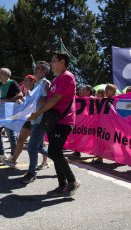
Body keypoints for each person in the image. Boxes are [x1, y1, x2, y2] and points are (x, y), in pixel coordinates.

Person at [28, 51, 80, 197]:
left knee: (54, 152)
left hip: (63, 120)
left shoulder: (67, 76)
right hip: (54, 121)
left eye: (54, 60)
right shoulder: (57, 79)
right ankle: (62, 186)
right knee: (55, 152)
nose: (51, 63)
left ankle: (72, 181)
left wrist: (37, 113)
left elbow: (55, 100)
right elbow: (47, 100)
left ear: (63, 62)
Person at [0, 68, 23, 162]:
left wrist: (6, 100)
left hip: (9, 113)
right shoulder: (2, 86)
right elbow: (0, 97)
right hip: (1, 112)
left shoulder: (12, 83)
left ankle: (13, 156)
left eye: (0, 74)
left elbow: (20, 95)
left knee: (10, 134)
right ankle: (1, 154)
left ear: (6, 74)